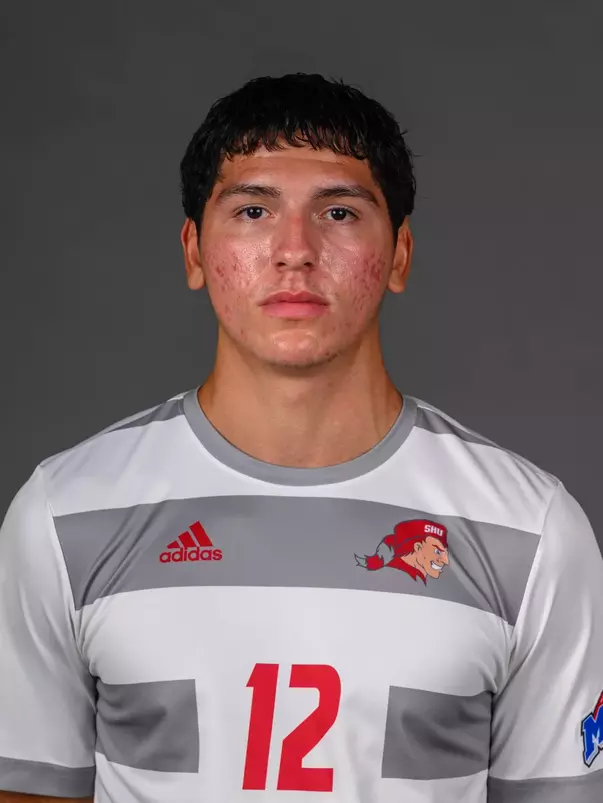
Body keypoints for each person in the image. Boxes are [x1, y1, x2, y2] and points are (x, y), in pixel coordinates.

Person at [0, 73, 601, 803]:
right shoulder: (64, 516)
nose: (294, 250)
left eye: (340, 212)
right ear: (193, 251)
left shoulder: (531, 532)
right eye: (252, 209)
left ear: (400, 254)